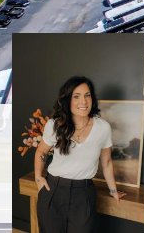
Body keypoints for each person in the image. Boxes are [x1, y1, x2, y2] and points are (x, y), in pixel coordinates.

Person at [33, 76, 124, 233]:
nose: (83, 101)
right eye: (76, 96)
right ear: (67, 100)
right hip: (53, 190)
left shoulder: (103, 128)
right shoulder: (55, 125)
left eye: (87, 95)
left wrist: (113, 190)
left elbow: (107, 162)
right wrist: (38, 178)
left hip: (83, 194)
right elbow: (41, 151)